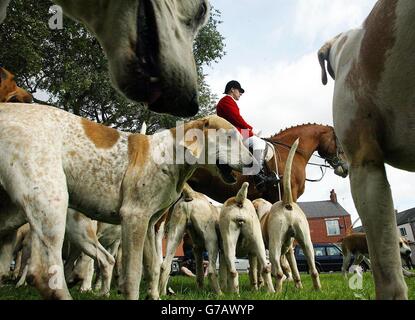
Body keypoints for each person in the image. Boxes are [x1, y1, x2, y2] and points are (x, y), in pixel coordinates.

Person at [216, 80, 280, 189]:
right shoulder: (226, 100)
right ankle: (259, 177)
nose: (240, 93)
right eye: (239, 91)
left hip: (235, 130)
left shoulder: (228, 101)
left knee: (257, 140)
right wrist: (250, 129)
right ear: (232, 89)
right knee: (259, 143)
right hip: (233, 132)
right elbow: (236, 119)